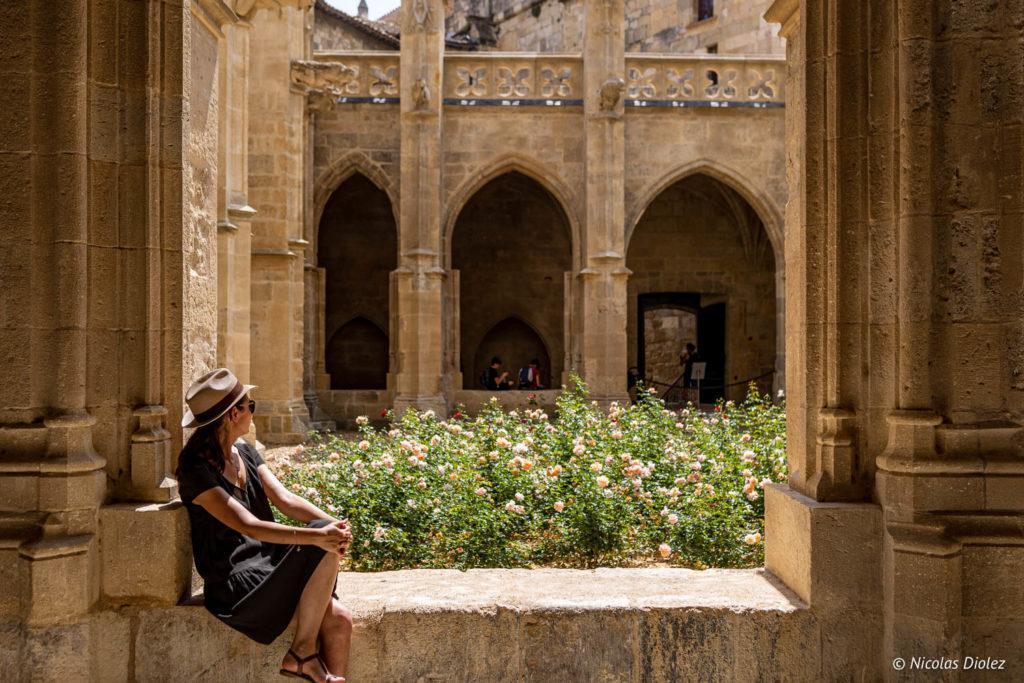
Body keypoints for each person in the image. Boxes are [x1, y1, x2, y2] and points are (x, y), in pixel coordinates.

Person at [175, 368, 353, 683]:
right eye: (251, 406)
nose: (252, 412)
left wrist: (333, 524)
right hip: (238, 583)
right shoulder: (195, 469)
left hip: (268, 565)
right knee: (319, 544)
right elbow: (249, 525)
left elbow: (285, 499)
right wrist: (318, 535)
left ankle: (306, 660)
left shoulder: (244, 451)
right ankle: (302, 653)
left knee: (340, 618)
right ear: (233, 414)